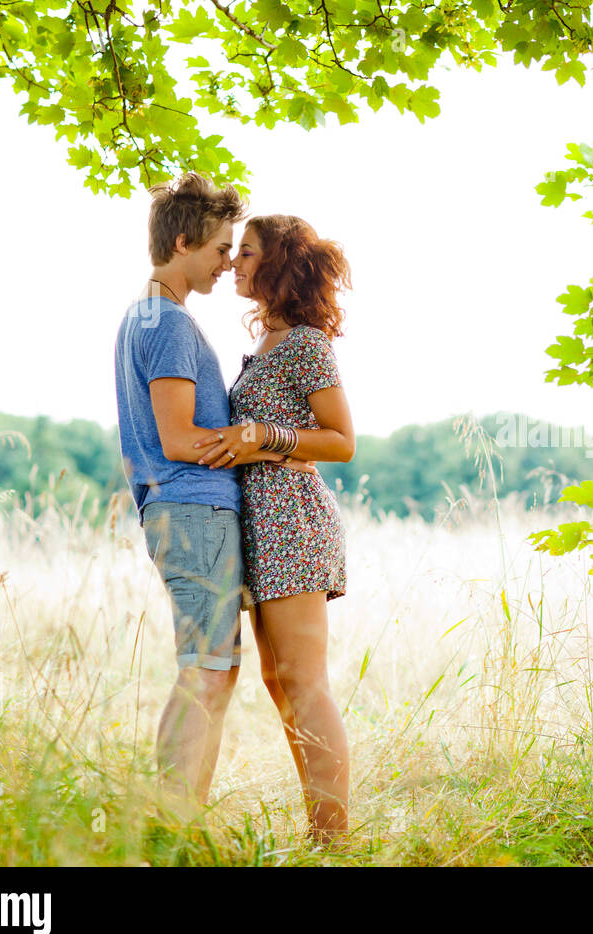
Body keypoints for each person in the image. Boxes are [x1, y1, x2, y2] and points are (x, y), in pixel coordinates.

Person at [113, 173, 311, 813]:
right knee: (206, 670)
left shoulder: (146, 315)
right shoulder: (167, 324)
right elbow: (177, 437)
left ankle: (181, 818)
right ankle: (168, 821)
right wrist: (254, 439)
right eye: (222, 248)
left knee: (214, 670)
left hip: (185, 507)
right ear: (181, 241)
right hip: (193, 506)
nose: (229, 262)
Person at [192, 214, 355, 845]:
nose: (235, 262)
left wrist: (264, 436)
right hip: (261, 524)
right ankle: (323, 831)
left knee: (305, 680)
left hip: (292, 520)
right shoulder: (268, 345)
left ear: (279, 263)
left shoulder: (308, 344)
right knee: (278, 679)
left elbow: (341, 442)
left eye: (248, 253)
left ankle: (333, 841)